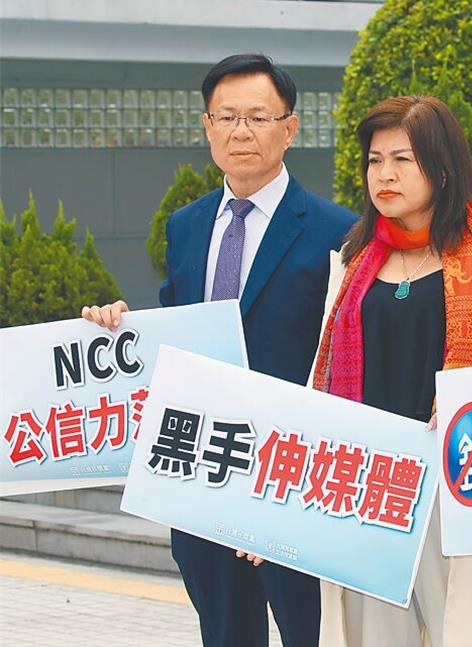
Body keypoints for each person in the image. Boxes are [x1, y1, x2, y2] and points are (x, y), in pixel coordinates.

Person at [82, 53, 358, 647]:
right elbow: (177, 327)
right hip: (204, 468)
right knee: (225, 631)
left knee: (311, 630)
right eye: (226, 117)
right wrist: (121, 329)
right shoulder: (185, 225)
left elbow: (346, 356)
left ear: (290, 128)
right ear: (207, 127)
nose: (241, 132)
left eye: (258, 117)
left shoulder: (338, 231)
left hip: (291, 473)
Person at [308, 95, 472, 647]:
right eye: (375, 160)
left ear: (442, 167)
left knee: (466, 631)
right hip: (371, 492)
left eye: (403, 159)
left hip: (461, 490)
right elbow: (320, 379)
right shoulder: (354, 259)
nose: (385, 174)